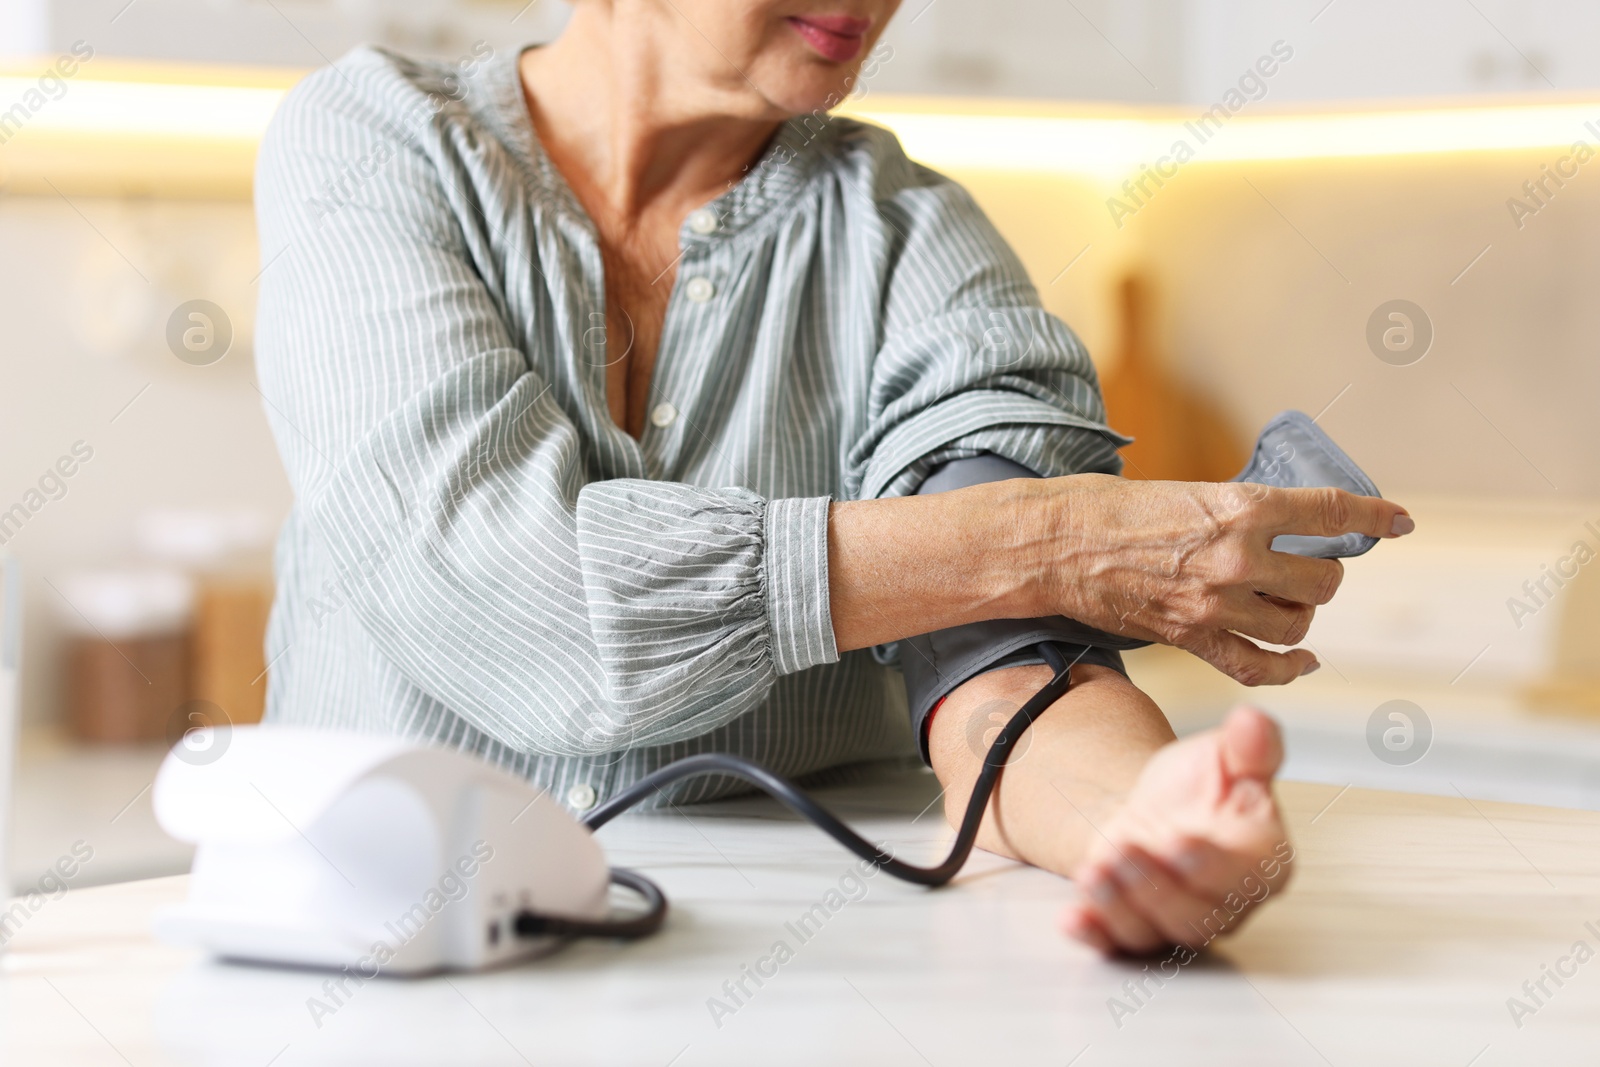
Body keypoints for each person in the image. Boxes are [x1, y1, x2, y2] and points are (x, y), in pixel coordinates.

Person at [253, 0, 1413, 957]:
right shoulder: (372, 140)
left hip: (768, 972)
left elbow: (1004, 672)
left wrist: (1144, 819)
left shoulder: (912, 237)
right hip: (368, 951)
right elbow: (515, 597)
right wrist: (1045, 535)